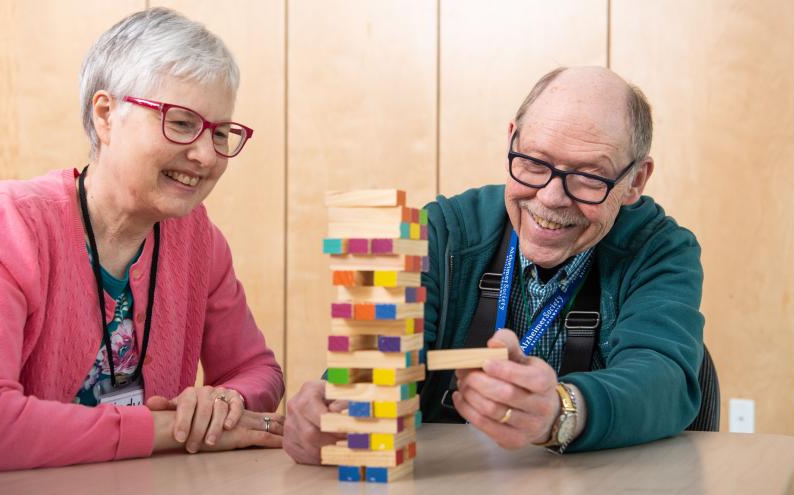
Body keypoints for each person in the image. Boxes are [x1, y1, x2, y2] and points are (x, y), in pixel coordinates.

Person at [0, 8, 284, 488]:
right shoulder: (6, 221)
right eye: (182, 123)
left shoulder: (199, 240)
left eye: (218, 133)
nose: (207, 155)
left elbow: (257, 370)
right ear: (105, 115)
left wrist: (223, 402)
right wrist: (164, 429)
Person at [283, 66, 703, 462]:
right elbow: (370, 372)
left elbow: (665, 379)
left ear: (635, 181)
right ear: (511, 141)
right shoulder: (442, 230)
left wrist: (560, 412)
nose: (551, 198)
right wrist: (333, 417)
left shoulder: (660, 249)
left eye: (590, 177)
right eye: (534, 163)